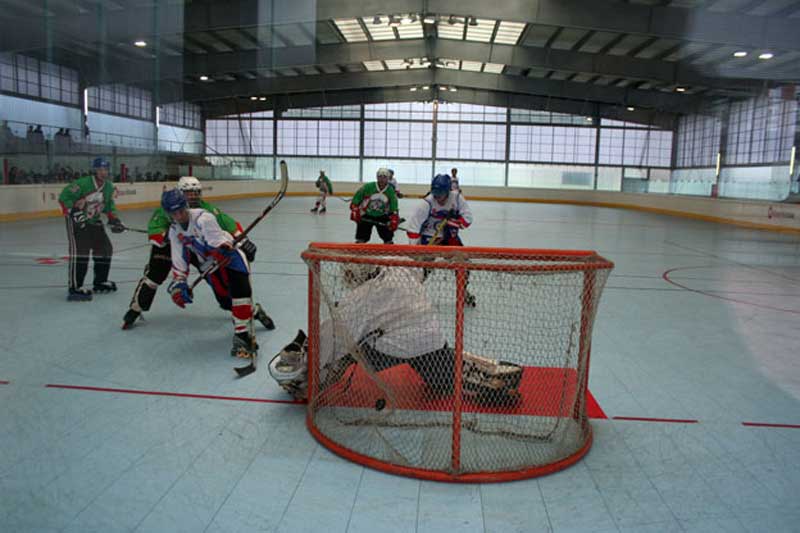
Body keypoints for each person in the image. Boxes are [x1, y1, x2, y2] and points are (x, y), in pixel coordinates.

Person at [269, 265, 454, 400]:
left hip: (391, 352)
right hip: (432, 344)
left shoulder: (358, 300)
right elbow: (419, 270)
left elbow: (333, 338)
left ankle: (313, 383)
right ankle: (444, 375)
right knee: (444, 386)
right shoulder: (399, 268)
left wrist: (311, 368)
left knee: (349, 347)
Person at [122, 176, 271, 330]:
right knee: (155, 275)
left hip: (196, 249)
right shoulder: (166, 209)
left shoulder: (205, 211)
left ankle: (250, 311)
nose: (192, 196)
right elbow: (155, 231)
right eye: (188, 193)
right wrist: (169, 235)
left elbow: (228, 224)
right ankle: (135, 309)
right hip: (168, 247)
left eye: (195, 193)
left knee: (223, 291)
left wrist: (243, 241)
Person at [161, 188, 261, 359]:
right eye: (173, 213)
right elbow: (179, 260)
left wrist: (221, 249)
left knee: (240, 295)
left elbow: (219, 242)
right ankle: (255, 311)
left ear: (186, 206)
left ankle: (242, 336)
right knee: (225, 302)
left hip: (231, 259)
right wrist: (179, 283)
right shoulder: (174, 230)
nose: (178, 216)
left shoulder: (203, 218)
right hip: (210, 265)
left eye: (181, 211)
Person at [58, 157, 125, 301]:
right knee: (80, 253)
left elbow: (109, 205)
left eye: (105, 169)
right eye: (100, 169)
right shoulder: (82, 184)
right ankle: (75, 287)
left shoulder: (108, 187)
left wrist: (114, 219)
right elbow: (63, 198)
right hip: (77, 222)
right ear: (94, 170)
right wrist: (74, 212)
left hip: (94, 221)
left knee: (105, 249)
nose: (103, 172)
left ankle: (100, 282)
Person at [406, 173, 476, 305]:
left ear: (448, 191)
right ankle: (413, 292)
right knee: (424, 266)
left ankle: (462, 292)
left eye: (441, 193)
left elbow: (467, 220)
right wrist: (415, 248)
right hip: (430, 238)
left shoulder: (457, 198)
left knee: (464, 263)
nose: (438, 197)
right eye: (435, 193)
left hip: (450, 237)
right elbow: (413, 228)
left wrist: (452, 222)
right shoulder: (426, 203)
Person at [350, 167, 400, 244]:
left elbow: (394, 206)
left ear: (388, 178)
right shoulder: (368, 187)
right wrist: (355, 209)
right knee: (362, 237)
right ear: (377, 177)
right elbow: (357, 198)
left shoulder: (390, 191)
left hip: (382, 215)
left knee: (388, 237)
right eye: (380, 177)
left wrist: (394, 217)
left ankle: (388, 244)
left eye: (385, 177)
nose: (382, 179)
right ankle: (360, 245)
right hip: (366, 214)